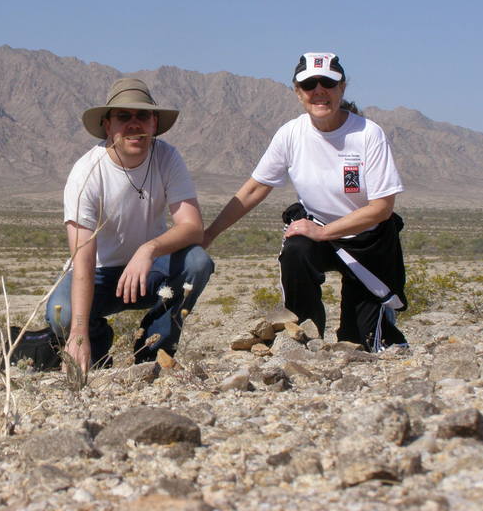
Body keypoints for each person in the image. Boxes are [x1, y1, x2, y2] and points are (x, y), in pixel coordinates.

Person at [203, 53, 408, 351]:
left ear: (342, 88)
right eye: (309, 84)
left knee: (364, 345)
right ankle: (304, 339)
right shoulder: (291, 134)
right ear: (298, 92)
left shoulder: (367, 134)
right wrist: (210, 234)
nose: (319, 90)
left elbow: (381, 208)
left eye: (328, 82)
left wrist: (324, 232)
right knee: (297, 249)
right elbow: (255, 188)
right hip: (318, 234)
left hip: (368, 243)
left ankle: (371, 323)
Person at [46, 78, 214, 373]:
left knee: (198, 262)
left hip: (150, 271)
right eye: (124, 116)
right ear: (108, 125)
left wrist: (148, 250)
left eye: (143, 116)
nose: (134, 124)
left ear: (154, 122)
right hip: (98, 274)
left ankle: (153, 350)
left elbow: (193, 227)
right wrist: (79, 332)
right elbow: (83, 260)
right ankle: (93, 351)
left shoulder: (167, 157)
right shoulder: (86, 173)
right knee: (63, 316)